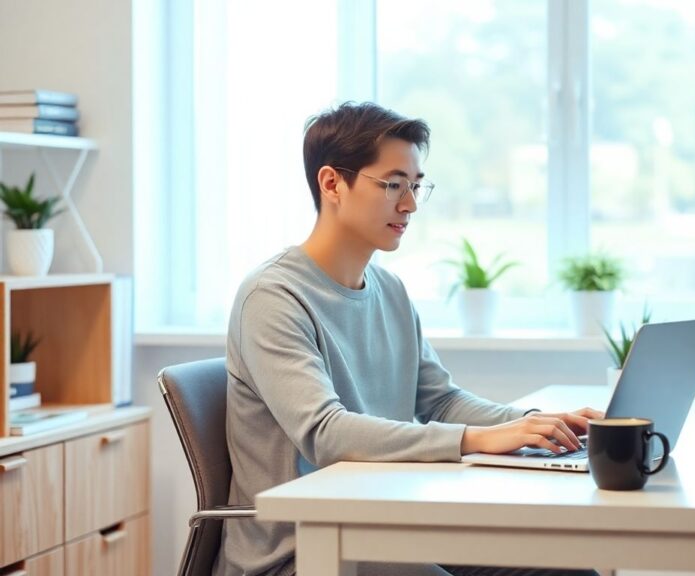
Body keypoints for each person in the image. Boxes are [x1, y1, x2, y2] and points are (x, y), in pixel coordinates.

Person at [215, 101, 604, 576]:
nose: (410, 204)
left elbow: (438, 400)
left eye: (416, 186)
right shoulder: (272, 297)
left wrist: (534, 424)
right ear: (332, 183)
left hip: (387, 523)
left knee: (569, 568)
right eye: (394, 184)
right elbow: (326, 433)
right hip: (303, 552)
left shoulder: (389, 290)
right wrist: (479, 439)